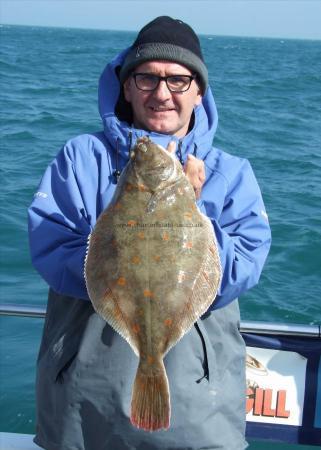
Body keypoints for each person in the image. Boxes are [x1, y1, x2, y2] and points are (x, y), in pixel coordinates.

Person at [28, 16, 271, 450]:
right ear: (125, 87)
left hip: (198, 409)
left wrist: (190, 215)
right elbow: (51, 250)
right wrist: (121, 236)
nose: (162, 93)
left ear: (198, 92)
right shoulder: (82, 158)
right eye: (146, 78)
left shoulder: (232, 174)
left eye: (178, 81)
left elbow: (242, 270)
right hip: (83, 409)